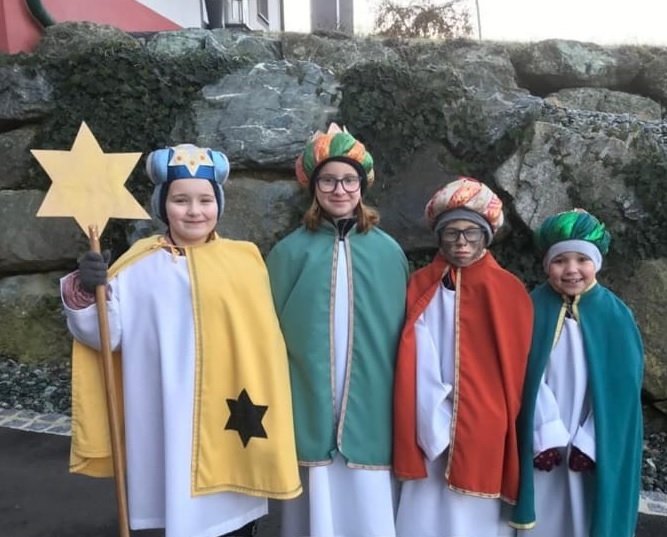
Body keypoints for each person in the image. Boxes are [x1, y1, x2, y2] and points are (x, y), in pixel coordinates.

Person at [60, 143, 301, 537]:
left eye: (205, 200)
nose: (194, 211)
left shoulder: (244, 260)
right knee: (178, 507)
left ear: (219, 204)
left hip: (233, 416)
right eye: (181, 200)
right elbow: (106, 336)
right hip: (167, 411)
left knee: (234, 517)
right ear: (163, 205)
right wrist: (88, 293)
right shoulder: (139, 265)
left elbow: (264, 347)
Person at [265, 123, 409, 537]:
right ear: (313, 187)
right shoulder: (288, 252)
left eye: (349, 180)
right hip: (308, 393)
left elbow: (404, 330)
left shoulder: (388, 252)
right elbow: (268, 331)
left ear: (362, 185)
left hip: (373, 397)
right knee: (315, 497)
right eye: (328, 180)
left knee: (368, 502)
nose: (340, 189)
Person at [393, 176, 534, 537]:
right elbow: (410, 352)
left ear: (486, 236)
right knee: (425, 507)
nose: (461, 243)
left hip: (485, 418)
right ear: (438, 236)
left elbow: (519, 370)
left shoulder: (508, 290)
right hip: (426, 411)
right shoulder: (420, 283)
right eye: (451, 233)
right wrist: (433, 407)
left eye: (471, 233)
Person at [511, 209, 644, 537]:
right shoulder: (531, 308)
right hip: (542, 439)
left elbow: (622, 390)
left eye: (582, 260)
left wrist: (589, 440)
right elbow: (524, 376)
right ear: (547, 265)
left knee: (587, 513)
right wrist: (546, 433)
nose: (571, 269)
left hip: (591, 438)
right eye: (560, 261)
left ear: (596, 263)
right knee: (544, 512)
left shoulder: (615, 315)